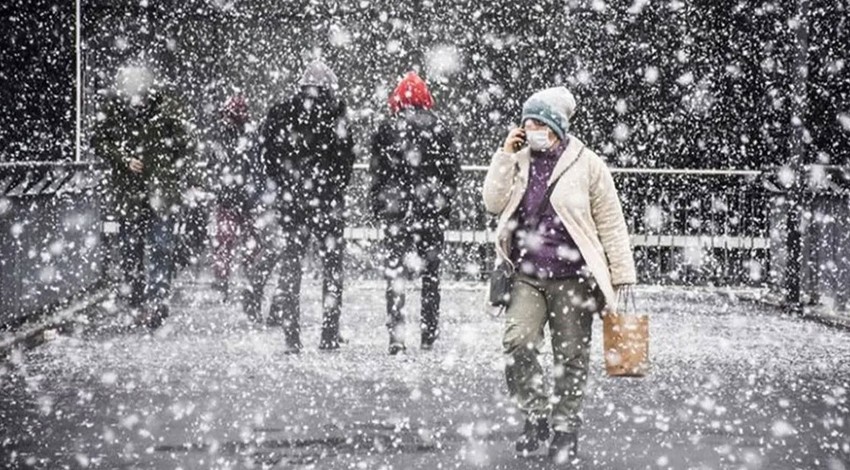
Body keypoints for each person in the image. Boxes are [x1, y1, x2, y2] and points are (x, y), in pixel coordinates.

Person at [481, 86, 637, 462]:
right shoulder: (518, 159)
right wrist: (504, 155)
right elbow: (492, 202)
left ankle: (565, 428)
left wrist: (622, 275)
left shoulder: (587, 164)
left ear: (556, 125)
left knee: (570, 356)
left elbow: (611, 222)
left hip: (573, 277)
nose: (531, 129)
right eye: (526, 123)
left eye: (538, 122)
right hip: (527, 274)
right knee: (517, 343)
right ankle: (535, 415)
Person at [252, 60, 355, 352]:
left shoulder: (281, 112)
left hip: (292, 202)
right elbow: (346, 158)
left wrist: (284, 185)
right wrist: (332, 187)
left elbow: (267, 155)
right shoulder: (337, 114)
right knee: (332, 268)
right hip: (327, 202)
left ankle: (292, 337)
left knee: (291, 265)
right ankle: (329, 333)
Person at [93, 64, 192, 329]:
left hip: (157, 192)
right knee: (131, 250)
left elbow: (185, 145)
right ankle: (140, 301)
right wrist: (124, 159)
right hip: (132, 193)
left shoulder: (165, 111)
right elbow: (98, 141)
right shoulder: (115, 111)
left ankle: (155, 302)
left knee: (158, 248)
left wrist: (166, 169)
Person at [369, 71, 459, 354]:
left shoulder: (386, 129)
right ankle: (428, 334)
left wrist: (379, 204)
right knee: (431, 277)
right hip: (430, 210)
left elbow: (378, 173)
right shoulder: (441, 129)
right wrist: (444, 205)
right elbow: (450, 174)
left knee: (395, 275)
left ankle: (397, 337)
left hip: (397, 212)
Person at [208, 94, 263, 304]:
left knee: (227, 242)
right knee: (234, 242)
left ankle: (229, 281)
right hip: (237, 197)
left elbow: (218, 163)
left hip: (235, 197)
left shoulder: (227, 135)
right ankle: (245, 280)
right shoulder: (244, 134)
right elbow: (255, 164)